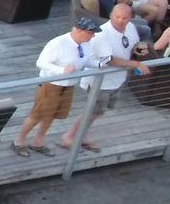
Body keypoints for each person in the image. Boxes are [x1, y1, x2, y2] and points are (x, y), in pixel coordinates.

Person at [60, 3, 151, 152]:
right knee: (92, 110)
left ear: (130, 18)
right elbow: (110, 59)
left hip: (117, 79)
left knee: (98, 112)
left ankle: (81, 135)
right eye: (117, 17)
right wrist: (135, 64)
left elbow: (131, 45)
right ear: (111, 16)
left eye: (124, 18)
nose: (120, 20)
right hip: (100, 81)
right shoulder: (103, 34)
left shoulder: (131, 28)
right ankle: (69, 137)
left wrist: (137, 50)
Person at [13, 19, 103, 157]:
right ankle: (19, 141)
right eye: (90, 32)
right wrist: (61, 70)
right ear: (78, 30)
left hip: (68, 85)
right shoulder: (58, 43)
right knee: (37, 115)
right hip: (50, 85)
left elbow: (88, 60)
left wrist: (101, 64)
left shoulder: (85, 45)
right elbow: (41, 62)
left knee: (52, 114)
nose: (93, 36)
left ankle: (39, 141)